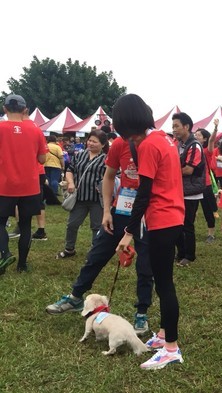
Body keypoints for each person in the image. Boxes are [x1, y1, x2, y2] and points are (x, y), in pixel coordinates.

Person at [46, 135, 154, 334]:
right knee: (97, 253)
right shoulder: (120, 144)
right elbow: (109, 176)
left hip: (148, 212)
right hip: (120, 209)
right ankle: (76, 297)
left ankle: (141, 312)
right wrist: (106, 211)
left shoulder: (154, 143)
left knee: (145, 264)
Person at [113, 93, 185, 370]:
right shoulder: (164, 139)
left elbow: (143, 193)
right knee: (163, 278)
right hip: (172, 215)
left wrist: (128, 232)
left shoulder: (147, 146)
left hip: (163, 218)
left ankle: (171, 348)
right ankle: (165, 335)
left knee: (164, 284)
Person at [0, 94, 47, 275]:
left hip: (4, 185)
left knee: (1, 222)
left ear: (5, 109)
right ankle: (22, 265)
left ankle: (5, 253)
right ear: (25, 110)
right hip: (30, 186)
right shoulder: (35, 130)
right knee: (26, 224)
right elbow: (42, 158)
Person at [56, 129, 107, 259]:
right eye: (89, 140)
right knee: (72, 224)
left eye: (94, 142)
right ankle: (69, 249)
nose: (90, 143)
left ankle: (94, 252)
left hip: (97, 199)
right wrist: (71, 183)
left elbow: (114, 176)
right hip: (79, 197)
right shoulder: (79, 155)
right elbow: (70, 170)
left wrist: (104, 186)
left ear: (102, 144)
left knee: (96, 227)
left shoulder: (106, 159)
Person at [172, 112, 205, 267]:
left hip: (191, 191)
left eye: (177, 126)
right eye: (173, 126)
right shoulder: (180, 144)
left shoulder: (194, 145)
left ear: (186, 127)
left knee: (187, 225)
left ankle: (189, 256)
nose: (174, 129)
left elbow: (188, 170)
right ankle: (180, 253)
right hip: (180, 190)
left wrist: (168, 171)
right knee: (177, 224)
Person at [194, 127, 218, 243]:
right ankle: (189, 231)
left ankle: (211, 234)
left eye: (198, 135)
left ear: (204, 139)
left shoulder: (206, 152)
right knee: (190, 210)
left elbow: (212, 141)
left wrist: (216, 129)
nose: (195, 136)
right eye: (195, 134)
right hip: (193, 185)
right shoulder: (191, 149)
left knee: (207, 210)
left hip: (205, 185)